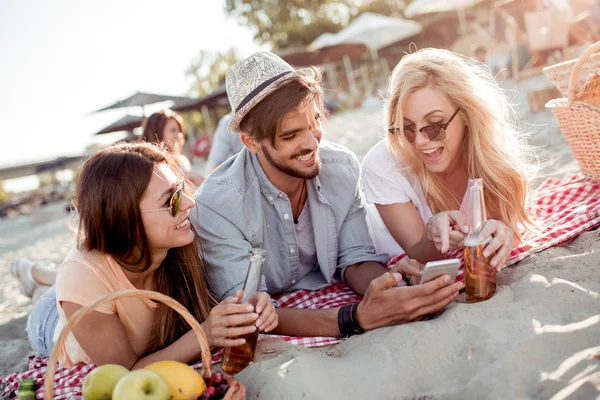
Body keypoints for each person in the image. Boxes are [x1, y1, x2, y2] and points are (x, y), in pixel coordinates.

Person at [192, 51, 463, 339]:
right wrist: (355, 317)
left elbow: (355, 258)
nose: (311, 142)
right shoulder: (217, 206)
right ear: (251, 141)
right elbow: (248, 312)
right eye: (290, 135)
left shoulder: (341, 168)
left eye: (314, 122)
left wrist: (391, 287)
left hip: (320, 299)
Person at [21, 142, 277, 368]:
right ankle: (32, 275)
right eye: (171, 201)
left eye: (182, 190)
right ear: (123, 215)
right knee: (50, 294)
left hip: (95, 287)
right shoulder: (81, 279)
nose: (190, 203)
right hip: (52, 325)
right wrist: (205, 334)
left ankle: (42, 277)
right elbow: (127, 373)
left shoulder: (179, 240)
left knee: (67, 283)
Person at [361, 48, 535, 271]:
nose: (420, 141)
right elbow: (418, 254)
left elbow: (509, 224)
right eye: (408, 129)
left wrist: (505, 231)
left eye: (434, 125)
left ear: (465, 114)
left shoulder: (489, 156)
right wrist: (431, 236)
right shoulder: (383, 164)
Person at [142, 109, 204, 186]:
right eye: (173, 130)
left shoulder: (182, 161)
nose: (179, 135)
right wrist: (191, 178)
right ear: (157, 134)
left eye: (180, 131)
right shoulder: (149, 167)